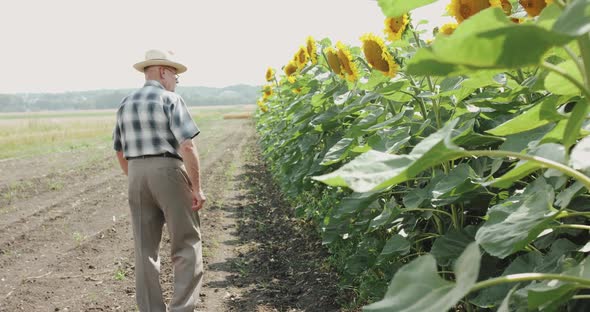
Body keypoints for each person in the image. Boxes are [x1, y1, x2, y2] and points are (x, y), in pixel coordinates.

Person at [112, 49, 206, 312]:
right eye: (176, 75)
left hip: (136, 174)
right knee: (187, 244)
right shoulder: (170, 99)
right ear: (164, 72)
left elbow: (119, 150)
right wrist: (196, 188)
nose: (176, 81)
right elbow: (186, 146)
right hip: (167, 169)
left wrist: (136, 177)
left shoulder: (125, 103)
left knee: (144, 250)